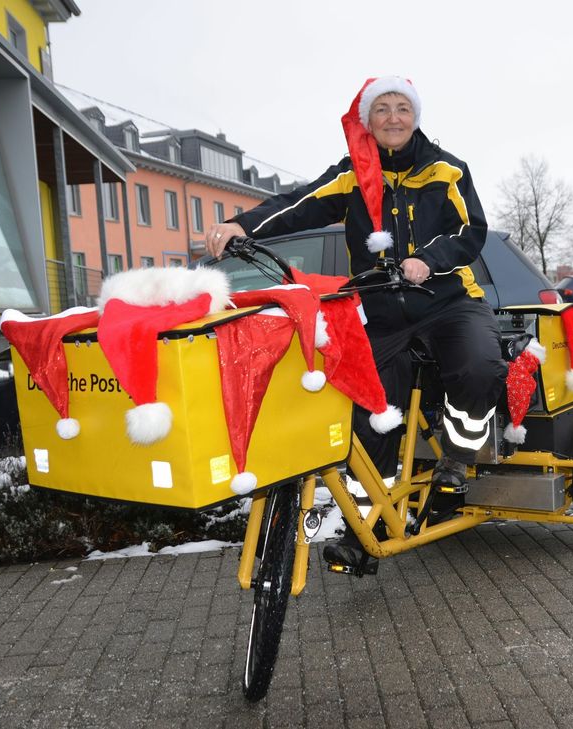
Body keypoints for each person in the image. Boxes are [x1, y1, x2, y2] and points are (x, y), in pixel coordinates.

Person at [206, 76, 507, 565]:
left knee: (479, 367)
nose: (393, 117)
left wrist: (428, 259)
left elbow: (470, 230)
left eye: (402, 108)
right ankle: (365, 529)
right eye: (382, 109)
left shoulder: (447, 170)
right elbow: (298, 205)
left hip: (447, 299)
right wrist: (243, 224)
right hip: (381, 309)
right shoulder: (352, 174)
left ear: (415, 116)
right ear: (368, 120)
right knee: (369, 415)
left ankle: (456, 456)